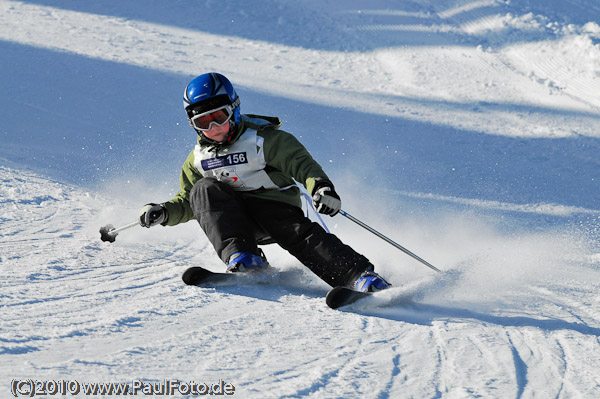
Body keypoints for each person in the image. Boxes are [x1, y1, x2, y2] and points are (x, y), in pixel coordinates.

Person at [139, 72, 390, 292]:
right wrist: (164, 212)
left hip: (276, 212)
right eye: (203, 123)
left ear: (234, 109)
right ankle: (245, 259)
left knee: (293, 231)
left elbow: (302, 166)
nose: (214, 128)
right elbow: (190, 200)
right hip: (235, 224)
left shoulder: (264, 140)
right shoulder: (198, 160)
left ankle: (359, 277)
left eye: (219, 116)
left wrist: (321, 188)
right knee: (203, 188)